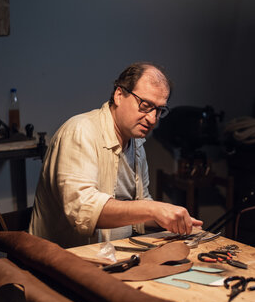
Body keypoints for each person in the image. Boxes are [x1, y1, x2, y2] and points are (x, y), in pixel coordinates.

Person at [29, 62, 202, 248]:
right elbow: (83, 211)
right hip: (61, 261)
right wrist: (154, 209)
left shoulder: (136, 142)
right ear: (119, 95)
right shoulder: (80, 131)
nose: (152, 119)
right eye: (145, 105)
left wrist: (171, 218)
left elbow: (138, 210)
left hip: (111, 257)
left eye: (159, 110)